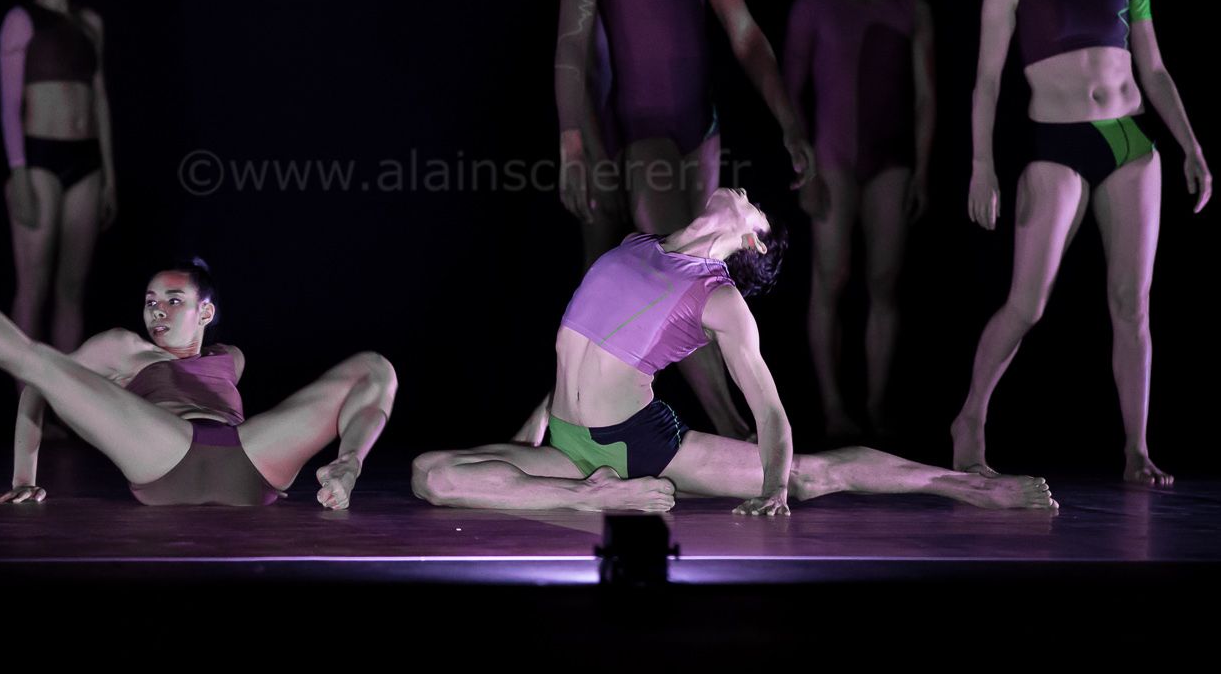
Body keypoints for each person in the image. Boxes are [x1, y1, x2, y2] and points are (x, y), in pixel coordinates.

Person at [413, 189, 1056, 514]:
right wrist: (537, 428)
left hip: (638, 444)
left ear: (753, 243)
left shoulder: (720, 300)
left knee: (810, 475)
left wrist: (774, 488)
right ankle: (593, 498)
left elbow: (770, 412)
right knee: (430, 475)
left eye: (754, 208)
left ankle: (966, 486)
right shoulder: (639, 243)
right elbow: (577, 349)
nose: (743, 195)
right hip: (567, 445)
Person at [552, 0, 816, 438]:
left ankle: (719, 428)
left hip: (699, 128)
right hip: (633, 128)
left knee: (692, 277)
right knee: (663, 279)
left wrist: (789, 121)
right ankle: (729, 427)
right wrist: (572, 144)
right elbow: (572, 44)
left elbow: (745, 34)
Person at [953, 0, 1210, 486]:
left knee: (1131, 303)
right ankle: (971, 418)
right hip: (1057, 146)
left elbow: (1154, 71)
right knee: (1027, 304)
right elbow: (987, 81)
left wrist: (1192, 147)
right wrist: (982, 165)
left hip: (1130, 144)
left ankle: (1136, 449)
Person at [0, 241, 396, 508]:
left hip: (251, 461)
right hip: (162, 452)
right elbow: (36, 388)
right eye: (150, 301)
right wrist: (24, 476)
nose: (157, 311)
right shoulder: (122, 347)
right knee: (35, 358)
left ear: (206, 313)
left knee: (375, 366)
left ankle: (348, 464)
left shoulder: (231, 356)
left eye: (173, 301)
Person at [783, 0, 935, 439]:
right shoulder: (815, 6)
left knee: (885, 282)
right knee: (831, 276)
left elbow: (926, 97)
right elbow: (790, 92)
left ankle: (875, 405)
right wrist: (805, 166)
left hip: (891, 161)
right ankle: (832, 407)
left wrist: (922, 170)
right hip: (833, 159)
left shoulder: (910, 7)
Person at [0, 0, 116, 355]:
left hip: (86, 162)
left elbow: (99, 99)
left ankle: (66, 396)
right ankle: (25, 397)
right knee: (33, 287)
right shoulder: (21, 19)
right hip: (39, 159)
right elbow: (9, 103)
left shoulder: (90, 23)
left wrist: (109, 178)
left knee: (72, 290)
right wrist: (19, 174)